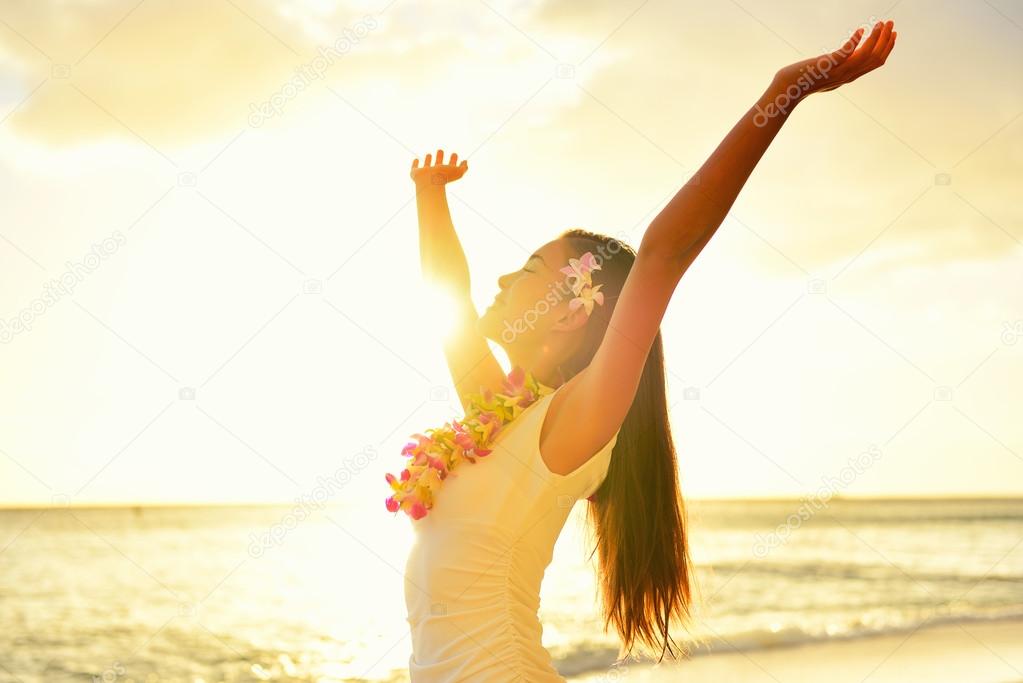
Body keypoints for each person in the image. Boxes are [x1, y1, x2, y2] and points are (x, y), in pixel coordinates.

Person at [402, 21, 897, 681]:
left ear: (569, 315)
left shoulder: (570, 426)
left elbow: (665, 250)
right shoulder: (496, 415)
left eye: (525, 271)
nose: (501, 280)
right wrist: (428, 197)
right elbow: (450, 300)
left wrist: (788, 88)